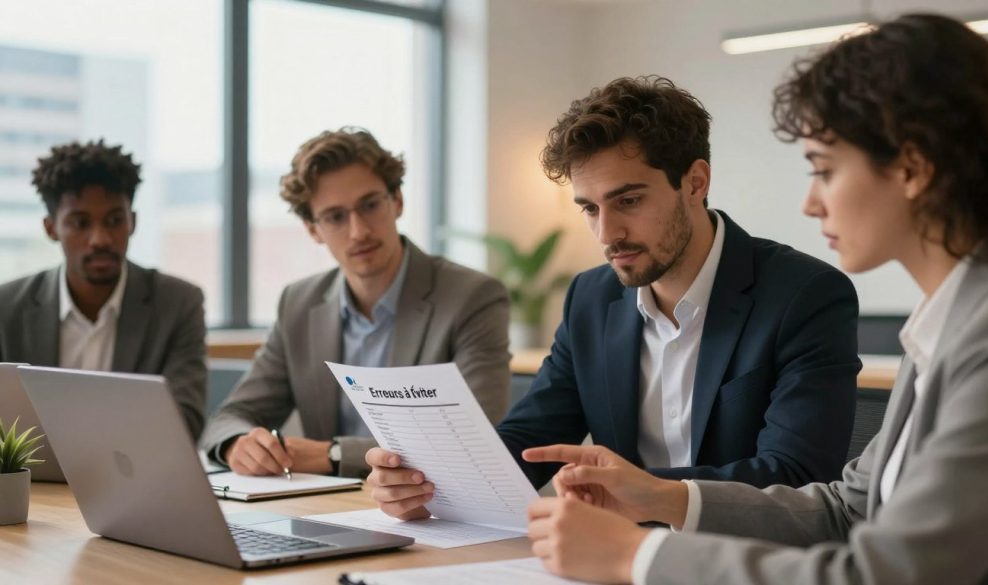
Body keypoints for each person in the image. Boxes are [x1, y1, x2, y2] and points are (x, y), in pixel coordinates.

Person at [523, 13, 988, 585]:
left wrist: (634, 557)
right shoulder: (951, 324)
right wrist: (661, 495)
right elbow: (844, 509)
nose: (811, 204)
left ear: (911, 167)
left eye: (824, 170)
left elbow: (889, 574)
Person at [366, 76, 862, 520]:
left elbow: (797, 476)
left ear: (695, 182)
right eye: (589, 208)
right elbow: (527, 440)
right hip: (611, 554)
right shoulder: (590, 296)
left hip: (739, 560)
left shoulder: (805, 294)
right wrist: (425, 482)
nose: (608, 234)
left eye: (629, 201)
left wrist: (641, 492)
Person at [201, 127, 511, 478]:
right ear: (312, 229)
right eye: (335, 217)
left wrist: (334, 454)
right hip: (326, 509)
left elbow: (475, 438)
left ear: (397, 200)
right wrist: (238, 444)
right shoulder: (299, 304)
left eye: (370, 205)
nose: (359, 231)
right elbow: (229, 418)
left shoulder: (472, 297)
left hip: (433, 511)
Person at [0, 140, 207, 441]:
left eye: (114, 220)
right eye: (80, 223)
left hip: (134, 483)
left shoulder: (178, 303)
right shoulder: (7, 308)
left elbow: (185, 422)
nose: (100, 239)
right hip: (33, 485)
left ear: (132, 221)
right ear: (51, 228)